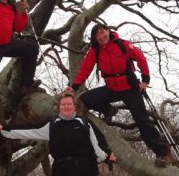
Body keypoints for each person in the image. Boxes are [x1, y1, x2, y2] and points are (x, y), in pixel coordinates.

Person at [65, 23, 171, 167]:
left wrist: (145, 80)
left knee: (142, 120)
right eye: (97, 35)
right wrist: (73, 87)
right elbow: (85, 69)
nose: (101, 36)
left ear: (108, 31)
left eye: (103, 32)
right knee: (86, 98)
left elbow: (140, 58)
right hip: (112, 87)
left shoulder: (123, 45)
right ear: (94, 38)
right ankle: (108, 110)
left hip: (130, 87)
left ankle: (161, 152)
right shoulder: (94, 51)